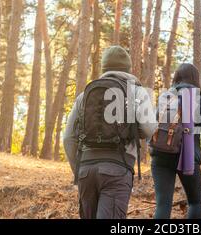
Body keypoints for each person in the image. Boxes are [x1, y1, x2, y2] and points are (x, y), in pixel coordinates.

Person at [63, 46, 156, 219]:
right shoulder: (136, 92)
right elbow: (149, 128)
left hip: (86, 170)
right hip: (117, 169)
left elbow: (68, 137)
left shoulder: (85, 95)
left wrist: (79, 169)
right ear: (128, 69)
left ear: (104, 68)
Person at [150, 63, 201, 219]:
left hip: (160, 154)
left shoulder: (166, 96)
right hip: (187, 155)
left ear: (176, 77)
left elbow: (154, 125)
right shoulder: (200, 99)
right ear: (195, 79)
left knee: (163, 204)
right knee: (195, 203)